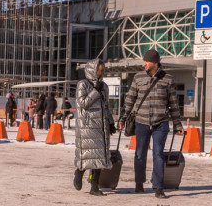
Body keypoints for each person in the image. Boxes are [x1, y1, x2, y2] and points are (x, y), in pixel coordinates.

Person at [118, 49, 184, 199]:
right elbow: (129, 100)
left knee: (158, 154)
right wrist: (122, 120)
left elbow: (174, 105)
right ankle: (139, 183)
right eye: (144, 61)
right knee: (140, 154)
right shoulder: (138, 77)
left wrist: (178, 125)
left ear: (155, 63)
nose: (144, 64)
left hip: (161, 123)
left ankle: (158, 187)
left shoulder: (168, 79)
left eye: (146, 61)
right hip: (141, 122)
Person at [73, 58, 116, 196]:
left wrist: (110, 122)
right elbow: (83, 103)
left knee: (99, 157)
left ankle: (94, 187)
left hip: (101, 127)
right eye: (98, 70)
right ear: (91, 70)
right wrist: (95, 91)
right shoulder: (83, 85)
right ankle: (79, 173)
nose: (99, 73)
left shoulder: (104, 86)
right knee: (87, 156)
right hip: (87, 127)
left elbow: (106, 106)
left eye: (102, 70)